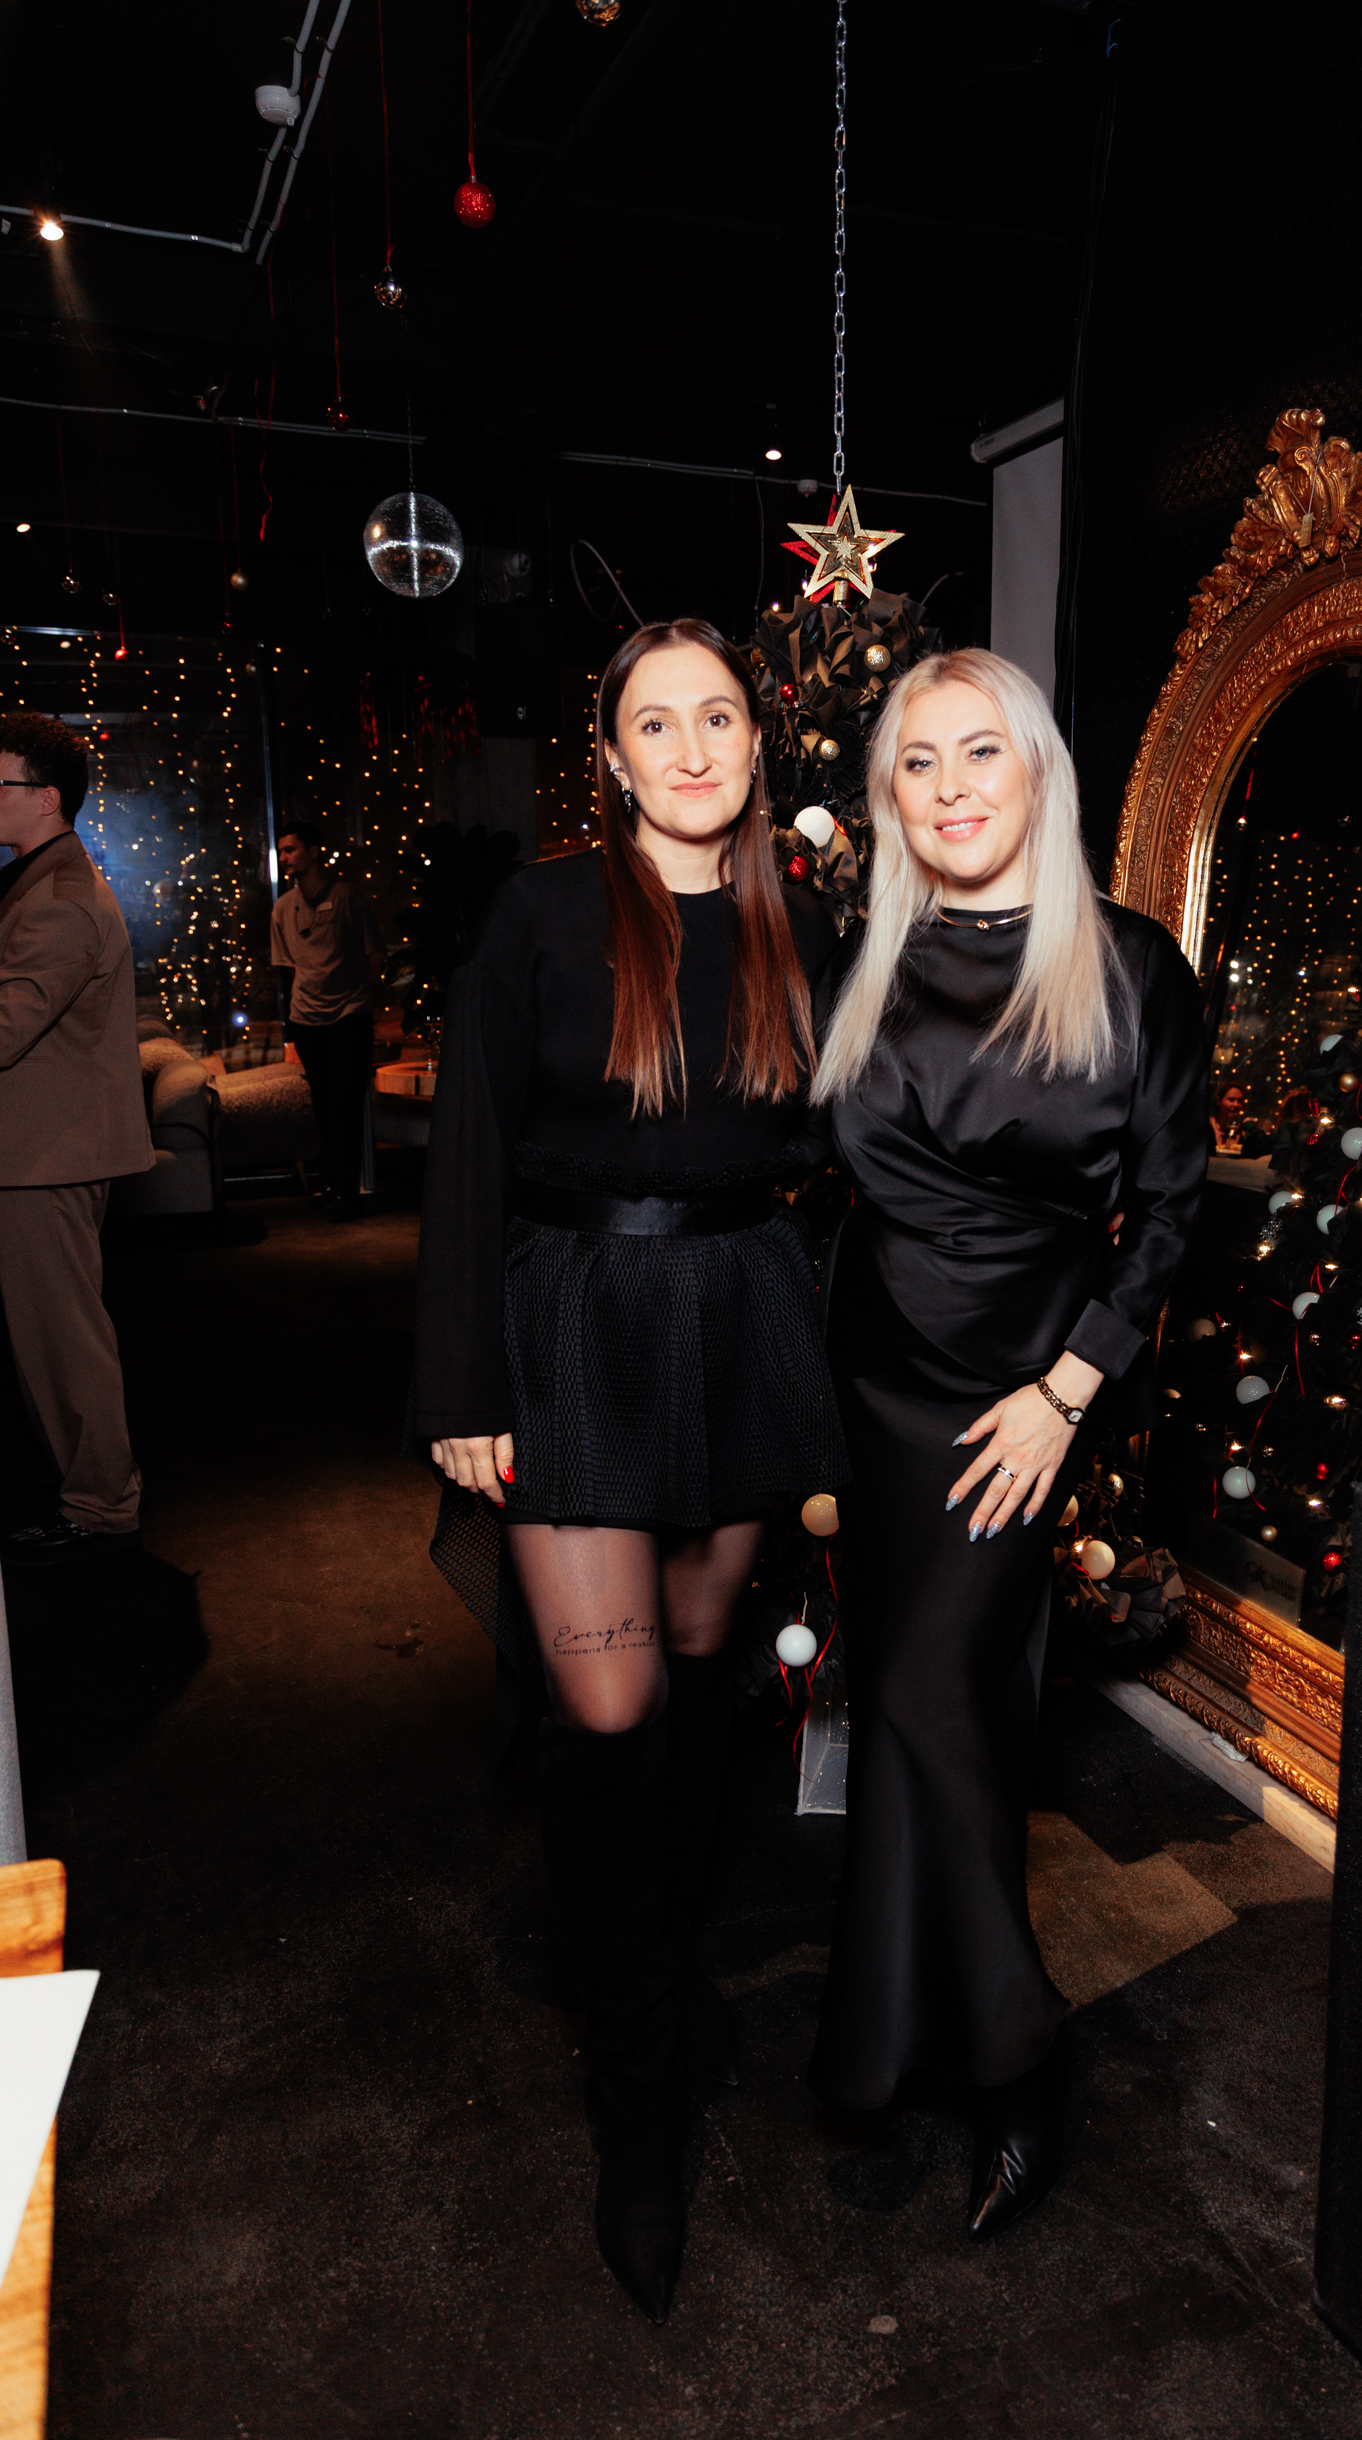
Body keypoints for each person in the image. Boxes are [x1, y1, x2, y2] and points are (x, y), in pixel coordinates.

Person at [411, 617, 846, 2325]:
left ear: (753, 741)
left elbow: (858, 1133)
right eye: (651, 723)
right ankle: (635, 2090)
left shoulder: (801, 925)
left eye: (714, 716)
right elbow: (467, 1149)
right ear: (608, 755)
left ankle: (658, 1964)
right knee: (605, 1712)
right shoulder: (537, 918)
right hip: (573, 1325)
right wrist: (461, 1379)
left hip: (739, 1315)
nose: (688, 748)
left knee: (699, 1671)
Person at [808, 648, 1208, 2236]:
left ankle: (1019, 2053)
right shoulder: (864, 961)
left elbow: (1168, 1210)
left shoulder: (1125, 967)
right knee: (934, 1712)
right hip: (877, 1390)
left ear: (1036, 770)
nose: (951, 786)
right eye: (917, 762)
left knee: (927, 1697)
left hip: (1013, 1404)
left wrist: (1066, 1392)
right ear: (888, 799)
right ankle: (905, 2034)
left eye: (981, 751)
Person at [0, 711, 153, 1566]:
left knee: (61, 1342)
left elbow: (6, 1029)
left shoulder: (59, 899)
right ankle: (94, 1496)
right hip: (37, 1150)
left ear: (46, 798)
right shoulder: (39, 883)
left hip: (42, 1158)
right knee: (53, 1338)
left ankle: (99, 1505)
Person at [270, 821, 384, 1219]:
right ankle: (334, 1185)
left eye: (290, 849)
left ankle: (348, 1192)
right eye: (281, 851)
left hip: (349, 1015)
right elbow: (287, 966)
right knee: (323, 1104)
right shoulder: (283, 908)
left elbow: (374, 953)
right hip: (307, 1018)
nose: (284, 857)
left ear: (314, 851)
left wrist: (359, 995)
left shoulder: (347, 897)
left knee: (344, 1104)